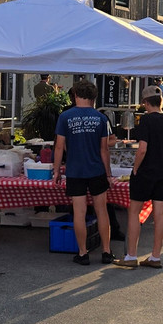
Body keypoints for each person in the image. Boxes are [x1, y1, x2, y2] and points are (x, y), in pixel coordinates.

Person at [113, 86, 163, 269]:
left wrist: (135, 168)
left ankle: (131, 256)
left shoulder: (146, 121)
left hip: (145, 172)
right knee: (159, 213)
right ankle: (155, 256)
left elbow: (142, 149)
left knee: (134, 212)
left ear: (145, 102)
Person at [53, 78, 115, 265]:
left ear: (76, 95)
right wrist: (109, 174)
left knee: (79, 213)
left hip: (75, 170)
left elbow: (58, 147)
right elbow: (104, 150)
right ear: (93, 97)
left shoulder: (65, 117)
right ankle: (106, 251)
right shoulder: (101, 118)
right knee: (101, 211)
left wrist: (56, 170)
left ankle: (82, 253)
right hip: (97, 170)